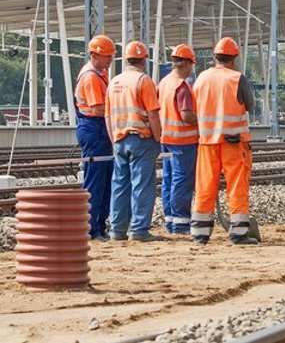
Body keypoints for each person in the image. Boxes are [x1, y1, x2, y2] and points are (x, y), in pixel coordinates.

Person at [191, 37, 257, 245]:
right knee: (237, 185)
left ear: (215, 57)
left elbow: (195, 106)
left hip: (207, 141)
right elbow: (250, 105)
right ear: (234, 58)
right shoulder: (237, 78)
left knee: (205, 185)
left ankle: (200, 232)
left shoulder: (201, 78)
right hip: (233, 142)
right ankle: (238, 232)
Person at [105, 41, 163, 242]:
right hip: (141, 139)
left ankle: (117, 230)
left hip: (120, 139)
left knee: (120, 184)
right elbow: (153, 114)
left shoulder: (114, 82)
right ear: (144, 60)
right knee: (142, 185)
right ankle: (139, 230)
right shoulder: (143, 81)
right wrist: (158, 138)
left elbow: (107, 116)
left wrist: (114, 139)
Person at [74, 35, 115, 242]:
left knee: (105, 180)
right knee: (95, 182)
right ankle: (90, 229)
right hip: (93, 128)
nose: (109, 60)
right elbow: (98, 109)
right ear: (94, 55)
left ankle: (99, 226)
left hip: (97, 129)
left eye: (110, 56)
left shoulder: (101, 74)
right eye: (106, 56)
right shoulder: (91, 77)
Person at [157, 44, 199, 236]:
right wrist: (206, 121)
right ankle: (181, 223)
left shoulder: (164, 82)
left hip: (166, 139)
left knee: (169, 180)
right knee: (181, 181)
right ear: (187, 64)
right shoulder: (181, 86)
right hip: (183, 141)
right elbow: (186, 115)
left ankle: (170, 221)